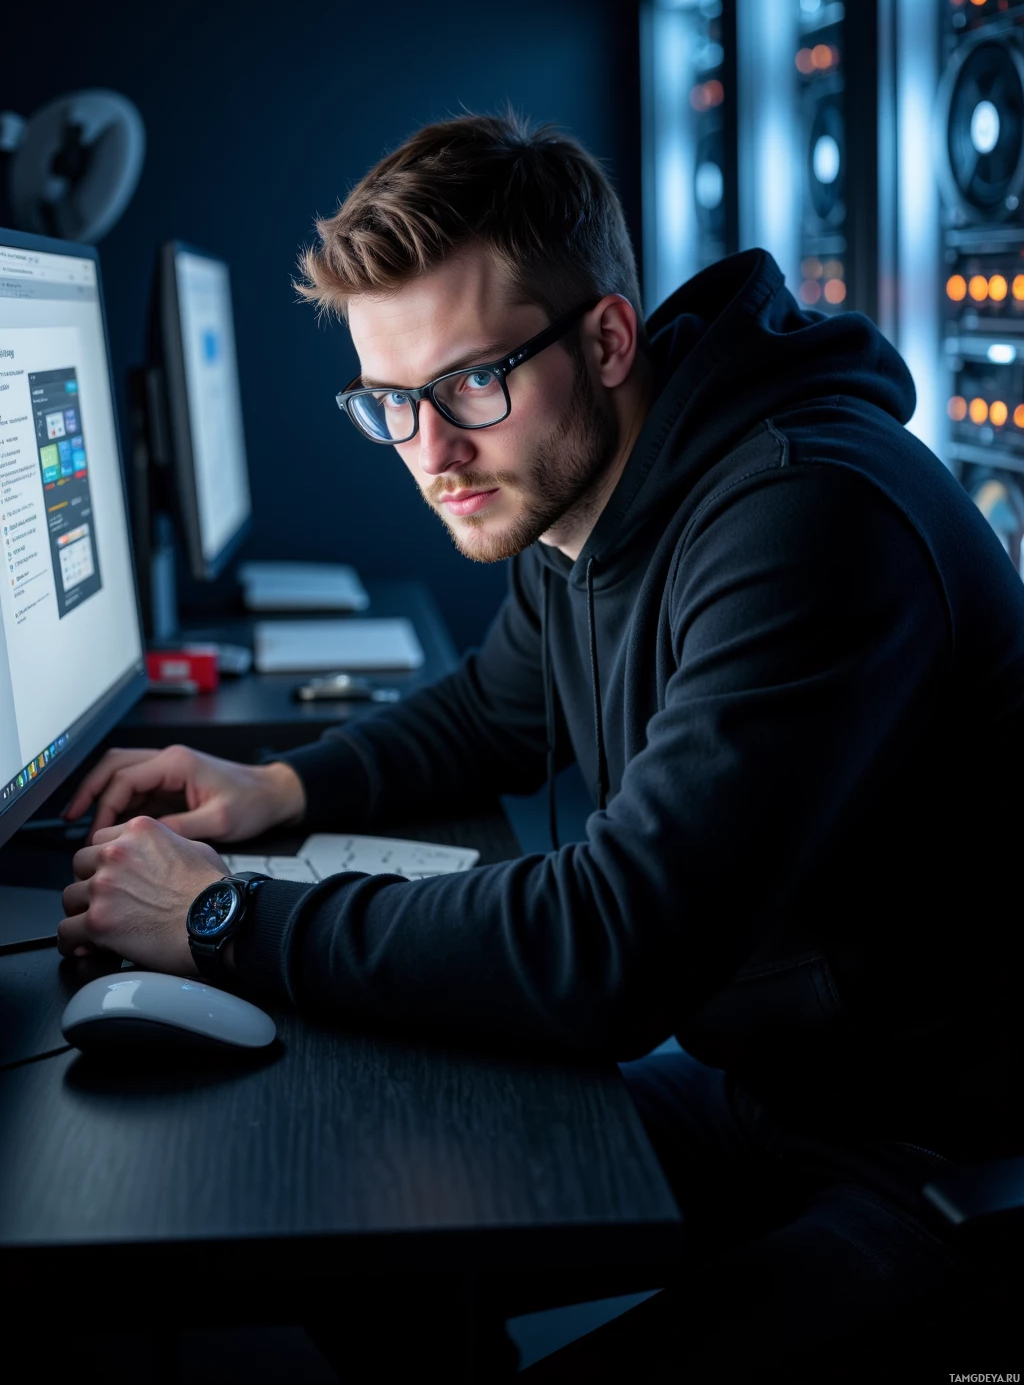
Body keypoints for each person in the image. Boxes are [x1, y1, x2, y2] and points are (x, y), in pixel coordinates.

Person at [60, 112, 1023, 1378]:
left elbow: (613, 943)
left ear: (608, 339)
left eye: (470, 385)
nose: (432, 454)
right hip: (779, 1090)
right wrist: (276, 787)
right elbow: (493, 709)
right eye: (389, 403)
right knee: (348, 1211)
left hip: (945, 1159)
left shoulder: (807, 518)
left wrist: (222, 918)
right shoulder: (585, 487)